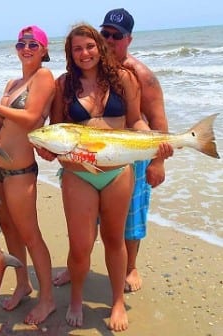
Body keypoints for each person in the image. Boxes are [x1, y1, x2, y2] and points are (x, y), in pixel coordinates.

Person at [36, 23, 172, 332]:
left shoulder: (124, 79)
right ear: (70, 54)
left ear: (99, 47)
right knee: (81, 245)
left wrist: (154, 145)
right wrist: (49, 151)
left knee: (115, 240)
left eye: (89, 46)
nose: (84, 53)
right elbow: (57, 129)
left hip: (116, 173)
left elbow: (135, 120)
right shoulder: (63, 85)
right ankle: (75, 299)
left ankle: (117, 302)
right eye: (77, 49)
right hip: (78, 175)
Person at [0, 26, 56, 324]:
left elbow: (32, 118)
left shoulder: (44, 78)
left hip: (20, 171)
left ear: (44, 50)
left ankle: (47, 299)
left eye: (34, 44)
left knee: (30, 234)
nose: (27, 48)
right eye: (22, 43)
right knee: (9, 230)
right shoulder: (13, 82)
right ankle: (23, 283)